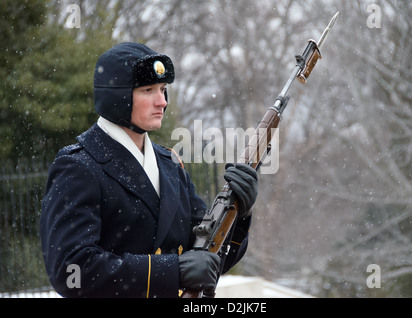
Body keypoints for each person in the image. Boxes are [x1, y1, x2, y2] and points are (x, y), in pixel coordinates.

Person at [40, 42, 258, 298]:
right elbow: (71, 270)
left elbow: (208, 260)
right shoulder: (78, 165)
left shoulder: (170, 165)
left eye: (164, 90)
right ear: (116, 96)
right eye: (148, 90)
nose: (162, 101)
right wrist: (171, 271)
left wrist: (239, 214)